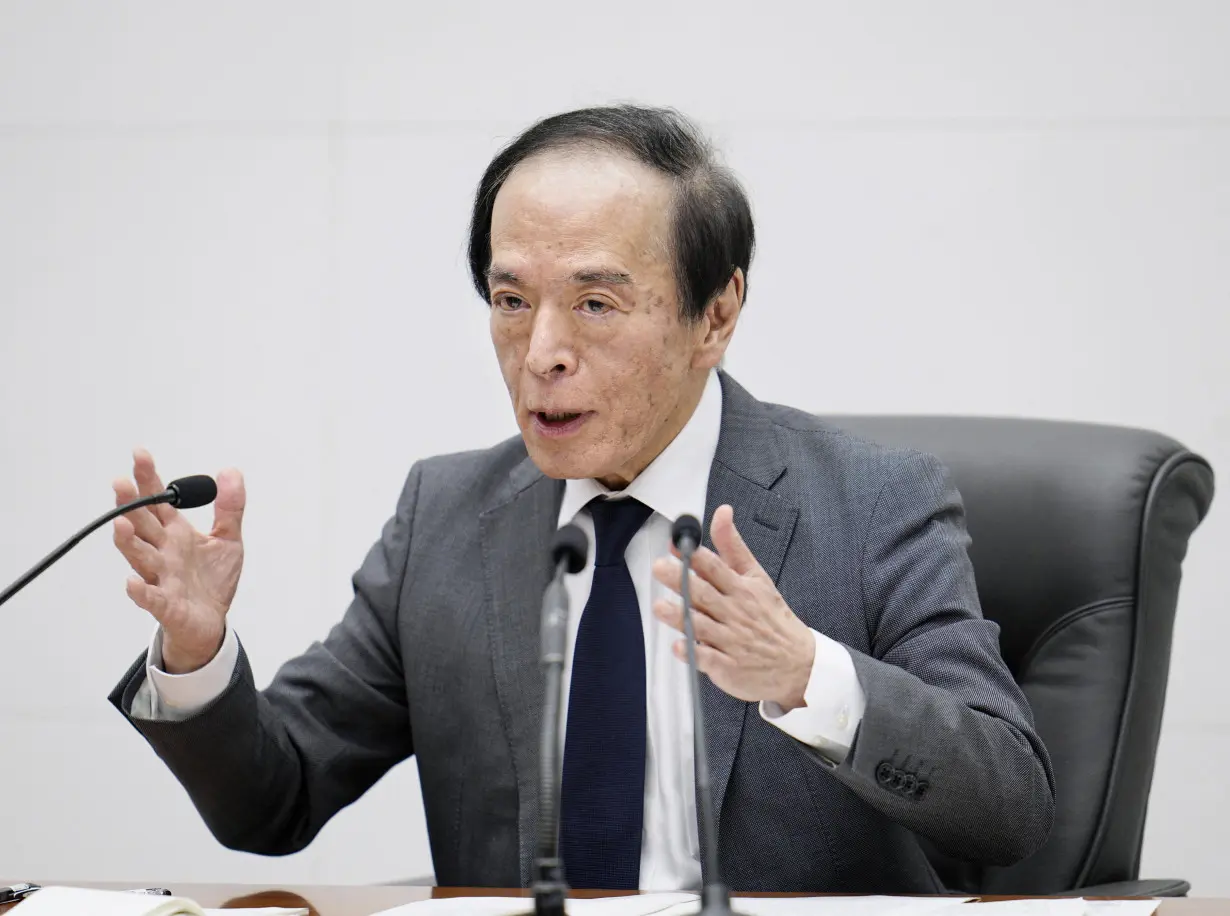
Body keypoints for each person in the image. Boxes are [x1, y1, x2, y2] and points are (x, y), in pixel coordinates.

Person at [108, 105, 1054, 894]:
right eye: (512, 301)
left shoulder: (873, 503)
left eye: (596, 304)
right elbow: (273, 802)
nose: (542, 350)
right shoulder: (444, 516)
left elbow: (1009, 807)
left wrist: (808, 673)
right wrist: (195, 654)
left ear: (715, 316)